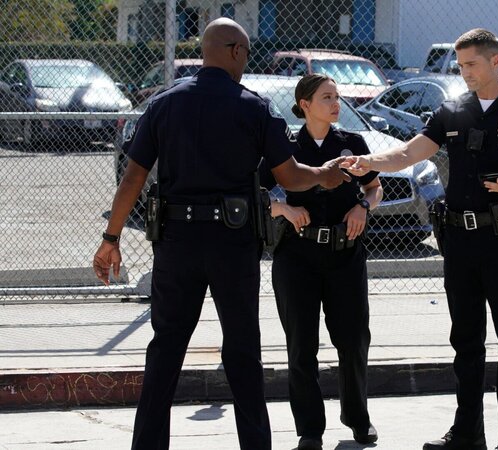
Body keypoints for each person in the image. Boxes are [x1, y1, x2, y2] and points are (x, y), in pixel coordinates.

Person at [91, 18, 349, 450]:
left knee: (167, 348)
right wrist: (324, 175)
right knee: (243, 351)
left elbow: (133, 178)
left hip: (176, 242)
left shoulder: (163, 104)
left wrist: (111, 238)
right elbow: (290, 175)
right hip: (233, 244)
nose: (245, 63)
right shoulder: (254, 107)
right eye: (245, 54)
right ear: (233, 51)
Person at [342, 29, 498, 450]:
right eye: (460, 66)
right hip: (460, 243)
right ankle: (467, 433)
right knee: (465, 341)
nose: (464, 73)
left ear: (495, 61)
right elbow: (409, 153)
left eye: (472, 65)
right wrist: (366, 161)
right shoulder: (451, 111)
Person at [270, 74, 382, 450]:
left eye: (337, 97)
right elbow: (255, 192)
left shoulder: (352, 145)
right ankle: (309, 429)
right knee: (301, 345)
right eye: (327, 97)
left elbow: (374, 186)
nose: (336, 104)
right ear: (304, 105)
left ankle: (358, 418)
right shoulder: (285, 147)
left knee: (353, 340)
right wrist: (283, 207)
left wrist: (362, 207)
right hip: (296, 257)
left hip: (345, 254)